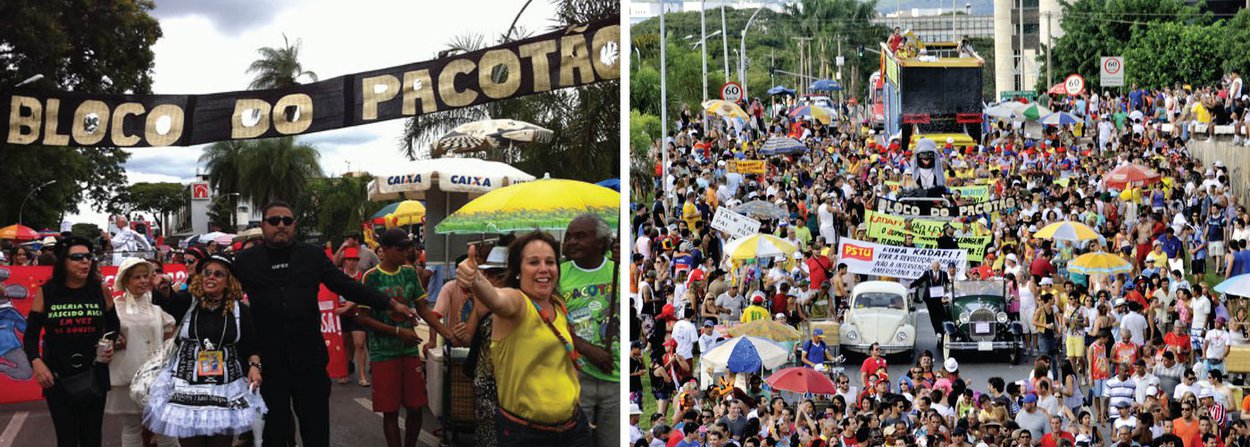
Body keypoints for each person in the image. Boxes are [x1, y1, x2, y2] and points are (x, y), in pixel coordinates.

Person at [231, 201, 427, 447]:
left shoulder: (311, 256)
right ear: (263, 225)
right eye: (274, 221)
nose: (281, 225)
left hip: (310, 361)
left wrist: (390, 303)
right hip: (269, 366)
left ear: (295, 226)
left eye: (287, 221)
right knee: (276, 435)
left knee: (316, 434)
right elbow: (219, 288)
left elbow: (347, 286)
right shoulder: (246, 260)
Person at [456, 231, 592, 445]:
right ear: (518, 271)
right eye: (533, 262)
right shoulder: (518, 303)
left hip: (574, 429)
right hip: (528, 435)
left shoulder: (558, 305)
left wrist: (574, 405)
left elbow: (565, 362)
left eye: (550, 262)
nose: (544, 268)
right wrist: (476, 280)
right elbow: (496, 298)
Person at [145, 255, 265, 446]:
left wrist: (254, 367)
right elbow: (164, 305)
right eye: (207, 273)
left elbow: (251, 345)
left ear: (228, 281)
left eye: (218, 274)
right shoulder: (187, 302)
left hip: (226, 387)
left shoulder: (239, 310)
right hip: (187, 386)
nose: (210, 277)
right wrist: (162, 286)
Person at [354, 229, 459, 447]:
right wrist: (397, 332)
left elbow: (423, 309)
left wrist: (446, 332)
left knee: (415, 406)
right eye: (400, 248)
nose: (406, 252)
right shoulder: (371, 277)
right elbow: (362, 318)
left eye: (407, 248)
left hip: (410, 351)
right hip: (384, 352)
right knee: (390, 411)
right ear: (385, 250)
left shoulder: (410, 274)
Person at [23, 236, 119, 447]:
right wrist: (36, 362)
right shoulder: (47, 292)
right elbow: (30, 335)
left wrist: (109, 342)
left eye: (88, 256)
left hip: (94, 374)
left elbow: (113, 324)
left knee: (92, 437)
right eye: (77, 257)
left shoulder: (100, 290)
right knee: (66, 439)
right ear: (62, 262)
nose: (85, 261)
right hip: (57, 376)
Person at [560, 214, 620, 447]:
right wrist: (586, 349)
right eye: (569, 237)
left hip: (615, 379)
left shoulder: (618, 269)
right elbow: (551, 324)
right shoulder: (559, 274)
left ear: (601, 242)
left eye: (581, 236)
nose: (572, 242)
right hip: (577, 376)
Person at [106, 258, 176, 447]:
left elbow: (170, 326)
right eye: (137, 277)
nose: (143, 281)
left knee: (165, 427)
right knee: (131, 428)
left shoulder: (155, 306)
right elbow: (104, 336)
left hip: (156, 377)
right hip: (127, 375)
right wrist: (114, 340)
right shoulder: (115, 307)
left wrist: (164, 350)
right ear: (126, 281)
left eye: (146, 276)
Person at [333, 247, 370, 386]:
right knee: (344, 345)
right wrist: (341, 247)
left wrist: (346, 307)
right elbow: (331, 262)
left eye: (355, 259)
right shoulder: (338, 276)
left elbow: (359, 295)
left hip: (357, 313)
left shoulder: (361, 277)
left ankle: (362, 375)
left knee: (359, 344)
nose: (352, 262)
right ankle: (344, 371)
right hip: (341, 315)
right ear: (344, 261)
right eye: (349, 259)